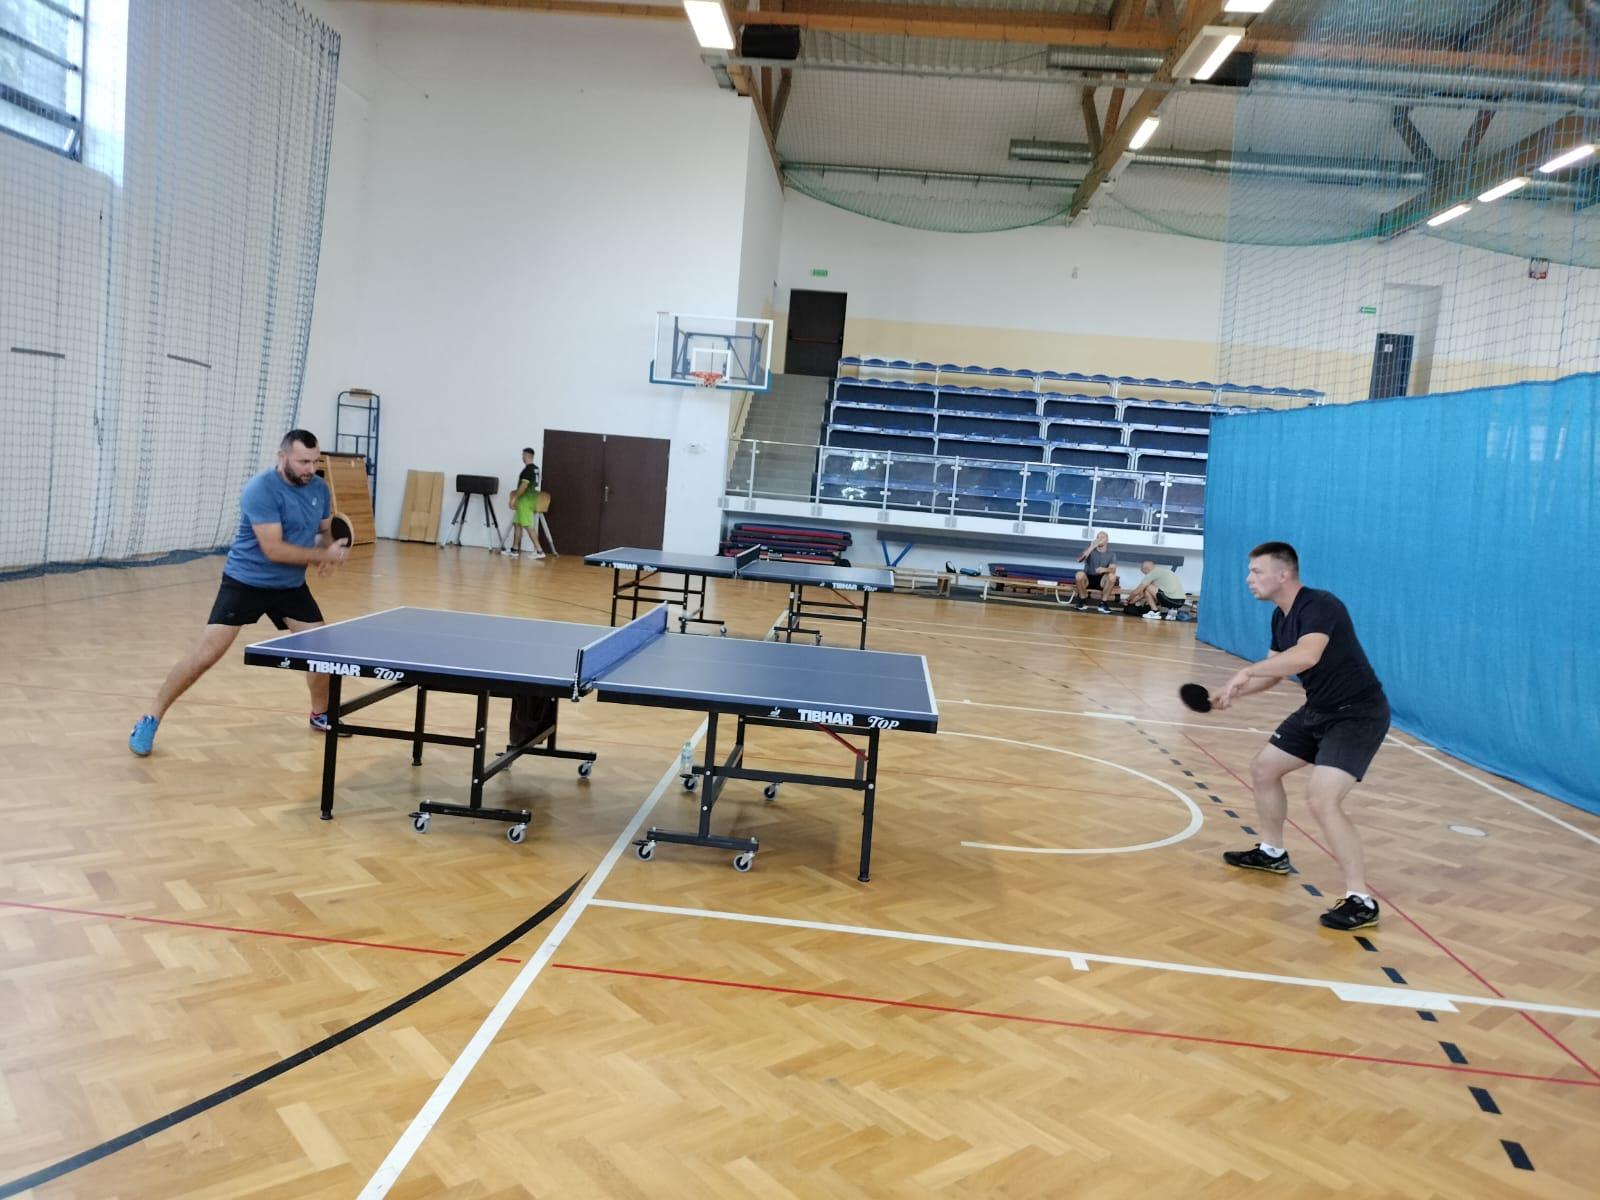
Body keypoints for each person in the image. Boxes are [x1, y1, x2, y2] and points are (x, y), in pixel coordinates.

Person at [128, 430, 349, 756]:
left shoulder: (318, 488)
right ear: (282, 456)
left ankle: (320, 714)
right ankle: (150, 718)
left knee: (322, 654)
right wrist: (320, 555)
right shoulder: (261, 489)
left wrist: (329, 549)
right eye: (303, 461)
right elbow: (274, 549)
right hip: (246, 582)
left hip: (290, 587)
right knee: (205, 655)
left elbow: (323, 527)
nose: (310, 469)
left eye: (315, 462)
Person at [1211, 541, 1389, 932]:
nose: (1249, 579)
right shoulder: (1281, 617)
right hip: (1318, 710)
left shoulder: (1320, 605)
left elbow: (1307, 656)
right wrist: (1232, 692)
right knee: (1264, 769)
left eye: (1256, 571)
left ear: (1283, 573)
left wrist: (1247, 671)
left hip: (1357, 715)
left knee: (1323, 799)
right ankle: (1272, 852)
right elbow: (1276, 671)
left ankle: (1361, 899)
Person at [503, 446, 544, 559]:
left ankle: (539, 551)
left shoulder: (527, 470)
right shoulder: (536, 469)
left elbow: (524, 486)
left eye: (523, 455)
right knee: (517, 524)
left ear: (527, 455)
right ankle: (514, 549)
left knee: (528, 526)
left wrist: (514, 498)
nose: (522, 457)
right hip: (529, 499)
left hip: (525, 501)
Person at [1072, 531, 1119, 612]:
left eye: (1102, 537)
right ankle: (1083, 600)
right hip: (1088, 578)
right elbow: (1079, 560)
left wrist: (1104, 569)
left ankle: (1103, 603)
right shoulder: (1090, 550)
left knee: (1112, 576)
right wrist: (1091, 547)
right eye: (1098, 537)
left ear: (1107, 540)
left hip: (1102, 580)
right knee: (1079, 575)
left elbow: (1113, 570)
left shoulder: (1111, 554)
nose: (1099, 539)